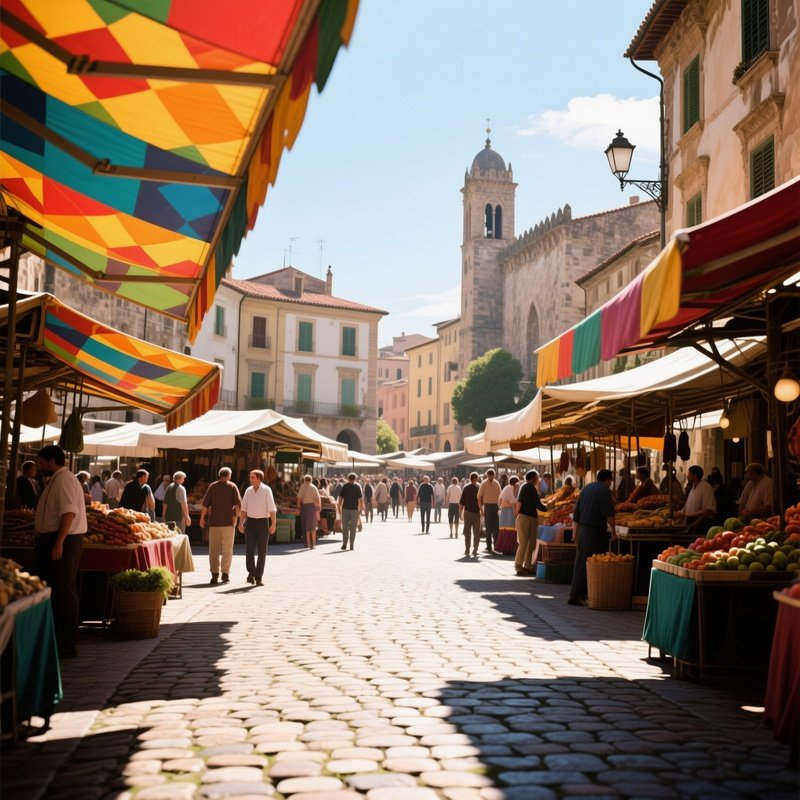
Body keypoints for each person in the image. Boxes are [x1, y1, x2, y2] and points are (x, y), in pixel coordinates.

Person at [34, 445, 87, 659]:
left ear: (51, 461)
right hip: (55, 539)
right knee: (56, 589)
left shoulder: (64, 480)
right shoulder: (57, 479)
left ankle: (67, 642)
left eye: (41, 462)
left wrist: (59, 542)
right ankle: (57, 638)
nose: (39, 467)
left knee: (64, 590)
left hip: (64, 540)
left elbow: (68, 513)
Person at [568, 468, 616, 607]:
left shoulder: (586, 489)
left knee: (581, 561)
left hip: (583, 530)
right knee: (592, 563)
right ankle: (581, 595)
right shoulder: (604, 491)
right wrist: (613, 532)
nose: (611, 482)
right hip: (595, 531)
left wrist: (575, 533)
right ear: (607, 479)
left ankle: (578, 593)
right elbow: (610, 515)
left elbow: (576, 514)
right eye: (611, 480)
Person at [199, 467, 241, 584]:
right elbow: (238, 505)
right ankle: (225, 573)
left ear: (219, 475)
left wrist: (202, 518)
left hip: (214, 523)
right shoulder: (232, 486)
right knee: (227, 549)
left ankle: (214, 574)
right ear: (229, 475)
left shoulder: (213, 486)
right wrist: (237, 519)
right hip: (228, 523)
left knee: (214, 549)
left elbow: (205, 505)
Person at [239, 470, 277, 586]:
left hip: (262, 523)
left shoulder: (266, 490)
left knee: (262, 551)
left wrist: (273, 523)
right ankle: (251, 573)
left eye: (253, 477)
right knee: (249, 550)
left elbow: (272, 508)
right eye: (250, 477)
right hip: (250, 523)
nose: (250, 479)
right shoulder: (248, 491)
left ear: (259, 478)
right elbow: (244, 509)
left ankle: (259, 577)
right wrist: (241, 523)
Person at [514, 470, 547, 576]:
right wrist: (548, 508)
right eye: (537, 477)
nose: (538, 480)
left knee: (531, 543)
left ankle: (527, 566)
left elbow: (521, 503)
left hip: (529, 517)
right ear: (533, 478)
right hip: (526, 517)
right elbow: (537, 503)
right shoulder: (529, 487)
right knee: (524, 543)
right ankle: (519, 566)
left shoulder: (525, 486)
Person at [675, 465, 717, 537]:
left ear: (695, 476)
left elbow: (709, 510)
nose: (687, 476)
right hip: (691, 522)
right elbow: (686, 508)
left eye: (689, 474)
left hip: (701, 524)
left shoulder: (706, 487)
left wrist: (696, 523)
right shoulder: (692, 489)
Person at [337, 472, 364, 550]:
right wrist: (339, 506)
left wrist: (361, 508)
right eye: (350, 479)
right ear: (348, 479)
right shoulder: (345, 486)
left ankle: (351, 544)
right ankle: (344, 543)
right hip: (345, 509)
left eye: (352, 479)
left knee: (353, 528)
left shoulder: (357, 487)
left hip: (354, 510)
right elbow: (341, 497)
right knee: (345, 528)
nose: (351, 480)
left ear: (354, 479)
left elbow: (360, 499)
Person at [477, 468, 501, 553]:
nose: (491, 476)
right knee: (490, 527)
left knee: (493, 527)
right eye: (490, 475)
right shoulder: (484, 483)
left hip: (494, 506)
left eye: (492, 475)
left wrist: (499, 506)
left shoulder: (495, 483)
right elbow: (479, 496)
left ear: (493, 475)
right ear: (488, 475)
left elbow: (479, 496)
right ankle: (490, 545)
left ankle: (492, 545)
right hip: (488, 506)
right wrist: (481, 508)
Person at [496, 475, 520, 554]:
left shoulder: (505, 488)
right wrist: (515, 511)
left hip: (503, 512)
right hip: (510, 512)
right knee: (512, 530)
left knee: (504, 530)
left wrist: (502, 506)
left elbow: (499, 500)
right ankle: (510, 549)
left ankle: (504, 548)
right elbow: (513, 502)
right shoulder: (512, 488)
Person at [164, 471, 193, 536]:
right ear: (179, 478)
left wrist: (164, 515)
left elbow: (165, 503)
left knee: (169, 536)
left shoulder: (169, 487)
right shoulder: (181, 488)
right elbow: (184, 504)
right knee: (179, 536)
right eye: (183, 478)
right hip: (179, 518)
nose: (184, 480)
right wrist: (187, 516)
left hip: (168, 517)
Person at [459, 472, 481, 557]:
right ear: (475, 479)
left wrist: (460, 514)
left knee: (468, 532)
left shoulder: (466, 488)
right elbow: (481, 502)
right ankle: (474, 549)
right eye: (477, 478)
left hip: (468, 513)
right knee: (476, 532)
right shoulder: (478, 488)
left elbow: (461, 503)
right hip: (475, 513)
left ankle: (469, 549)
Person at [297, 474, 322, 549]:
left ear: (304, 480)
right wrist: (318, 506)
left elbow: (298, 499)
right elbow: (317, 500)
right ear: (311, 480)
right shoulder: (313, 487)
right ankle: (313, 543)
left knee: (305, 525)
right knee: (312, 526)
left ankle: (306, 543)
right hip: (311, 507)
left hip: (304, 507)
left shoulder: (302, 487)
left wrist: (299, 507)